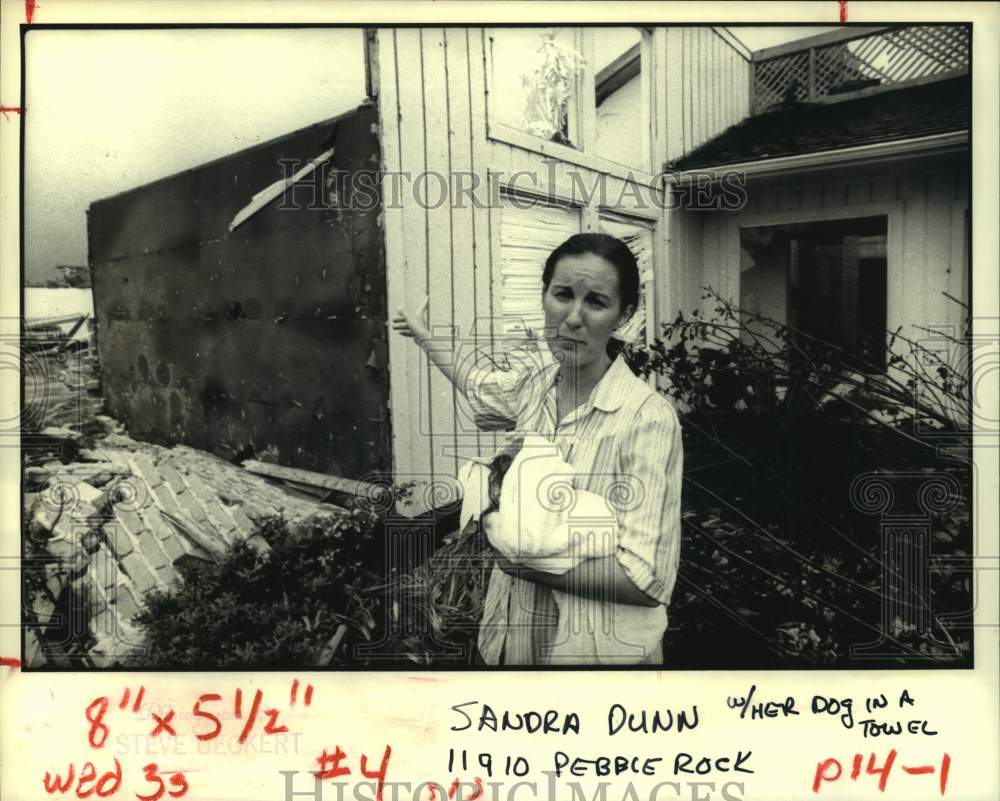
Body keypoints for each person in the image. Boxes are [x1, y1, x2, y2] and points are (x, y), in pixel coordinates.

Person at [391, 233, 683, 665]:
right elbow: (477, 386)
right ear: (544, 296)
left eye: (597, 302)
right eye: (562, 295)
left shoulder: (647, 418)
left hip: (599, 662)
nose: (573, 318)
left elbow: (647, 580)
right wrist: (423, 337)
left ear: (624, 314)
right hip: (514, 643)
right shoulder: (536, 386)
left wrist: (517, 559)